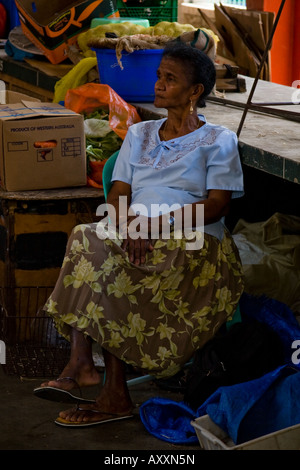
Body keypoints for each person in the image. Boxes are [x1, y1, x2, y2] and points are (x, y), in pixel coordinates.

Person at [34, 42, 244, 427]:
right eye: (159, 76)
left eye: (170, 79)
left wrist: (153, 226)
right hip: (136, 232)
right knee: (86, 236)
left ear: (195, 91)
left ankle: (107, 386)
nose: (158, 84)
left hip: (194, 242)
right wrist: (131, 226)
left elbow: (217, 205)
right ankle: (84, 363)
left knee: (113, 262)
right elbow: (118, 194)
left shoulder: (218, 140)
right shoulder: (140, 133)